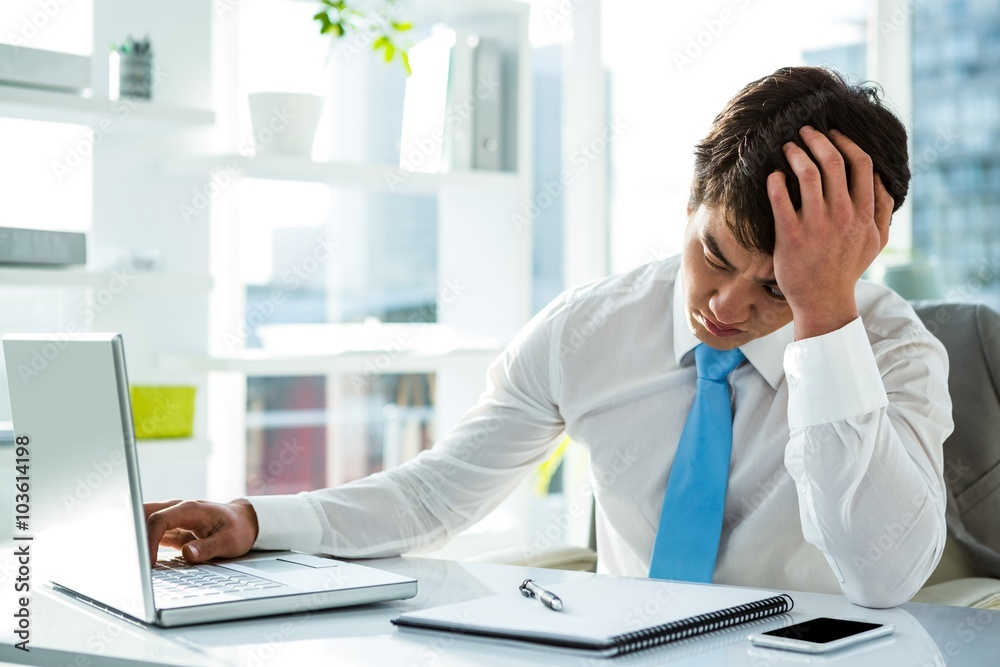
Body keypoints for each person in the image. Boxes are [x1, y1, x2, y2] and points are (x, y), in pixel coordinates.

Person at [146, 66, 952, 609]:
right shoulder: (589, 328)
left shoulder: (893, 351)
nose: (728, 307)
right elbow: (437, 493)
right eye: (714, 255)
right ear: (688, 205)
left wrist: (823, 318)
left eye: (775, 286)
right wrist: (257, 519)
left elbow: (884, 576)